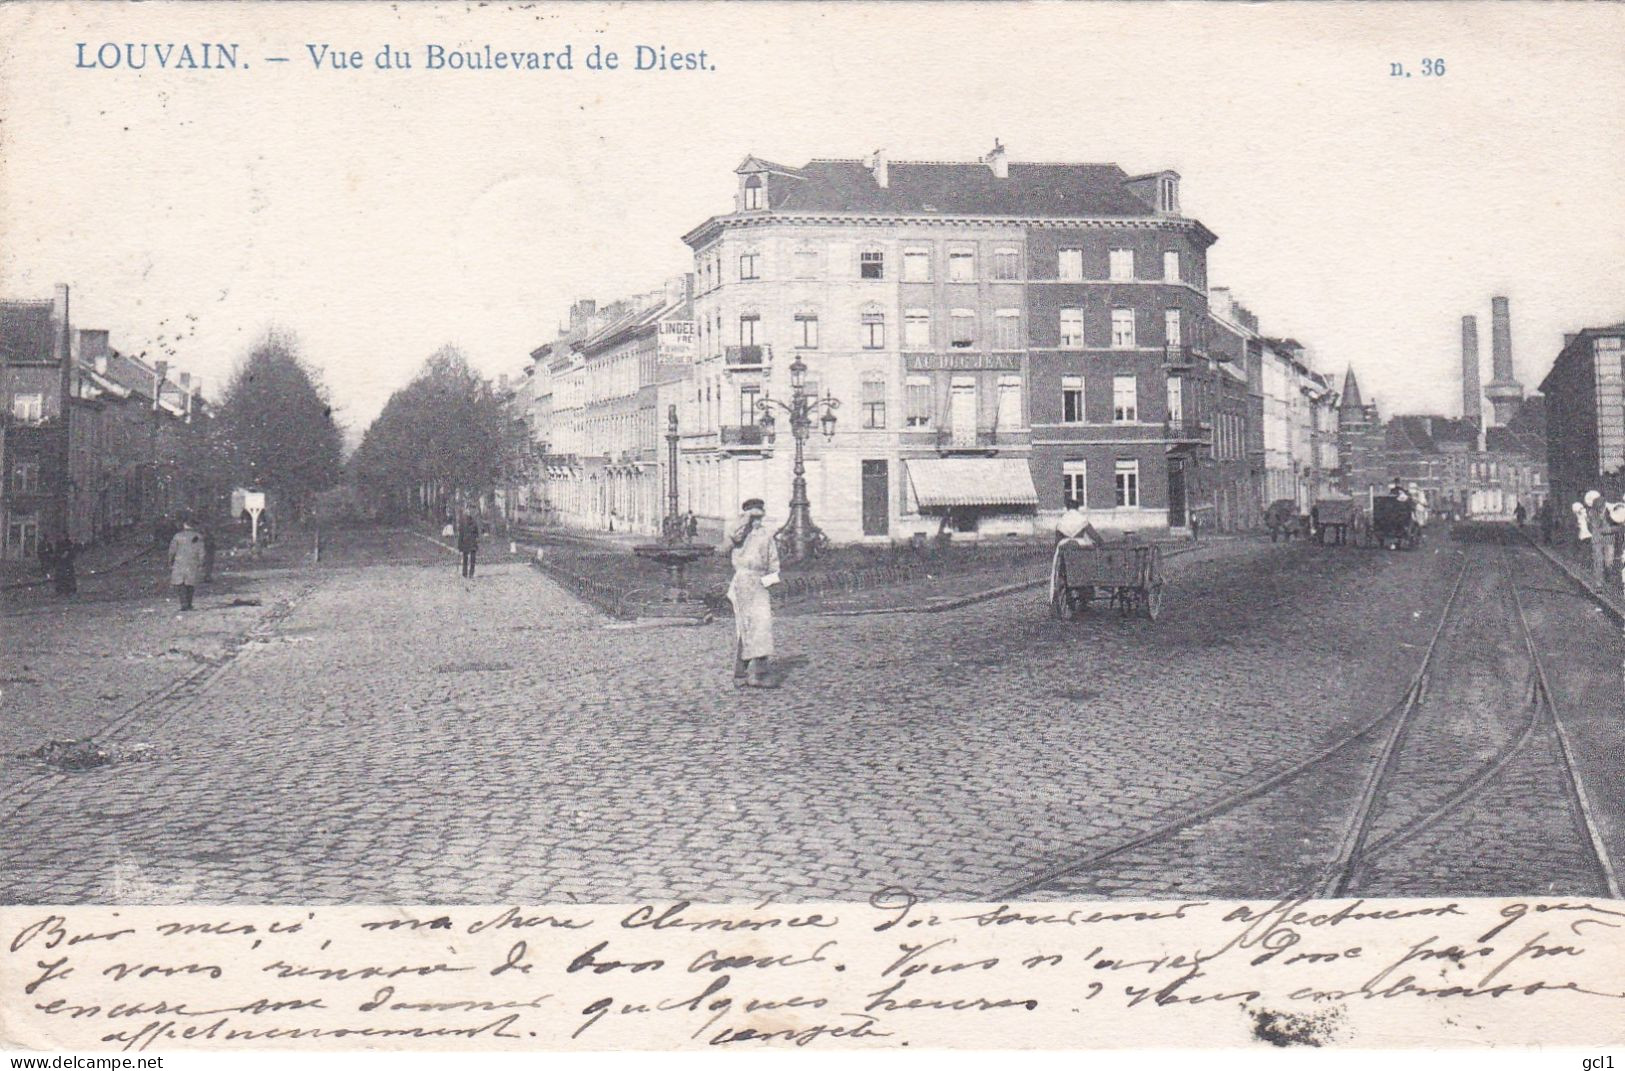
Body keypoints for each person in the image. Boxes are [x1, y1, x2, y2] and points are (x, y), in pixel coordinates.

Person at [725, 498, 780, 688]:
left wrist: (770, 585)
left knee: (763, 627)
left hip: (760, 582)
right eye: (753, 516)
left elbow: (773, 563)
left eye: (759, 516)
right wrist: (745, 519)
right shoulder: (740, 533)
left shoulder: (766, 535)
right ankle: (741, 673)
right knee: (745, 626)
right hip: (743, 581)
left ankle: (760, 673)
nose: (756, 520)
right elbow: (733, 535)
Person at [168, 516, 206, 611]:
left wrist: (170, 560)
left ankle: (183, 603)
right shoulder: (198, 536)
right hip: (192, 562)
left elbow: (172, 550)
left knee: (180, 583)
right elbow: (202, 551)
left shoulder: (177, 536)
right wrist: (201, 562)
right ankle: (189, 603)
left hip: (179, 561)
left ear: (184, 525)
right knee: (190, 583)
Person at [456, 509, 480, 579]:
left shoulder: (474, 523)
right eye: (466, 514)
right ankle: (465, 573)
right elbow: (460, 535)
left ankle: (471, 573)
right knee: (465, 558)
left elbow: (476, 533)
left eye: (468, 514)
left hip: (472, 542)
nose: (467, 516)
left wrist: (476, 540)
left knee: (472, 559)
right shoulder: (462, 524)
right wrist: (459, 545)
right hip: (465, 542)